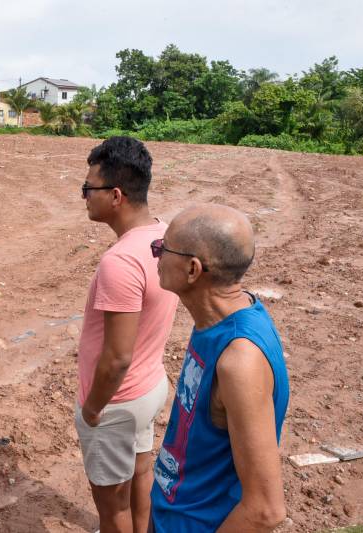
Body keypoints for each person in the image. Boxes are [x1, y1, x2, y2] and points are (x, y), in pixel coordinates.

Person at [149, 204, 289, 533]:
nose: (156, 255)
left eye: (162, 248)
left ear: (193, 270)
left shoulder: (239, 362)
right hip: (173, 512)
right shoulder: (217, 318)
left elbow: (265, 510)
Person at [75, 136, 180, 533]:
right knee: (141, 472)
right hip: (149, 385)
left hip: (116, 401)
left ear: (115, 195)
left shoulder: (119, 262)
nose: (84, 196)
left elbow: (116, 357)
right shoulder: (164, 236)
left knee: (112, 509)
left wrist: (92, 409)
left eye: (89, 188)